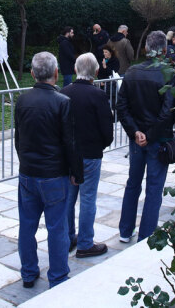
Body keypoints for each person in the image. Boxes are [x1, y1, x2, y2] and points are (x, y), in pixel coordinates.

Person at [14, 52, 84, 289]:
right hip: (54, 175)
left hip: (29, 173)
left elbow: (18, 138)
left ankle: (28, 272)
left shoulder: (22, 100)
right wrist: (77, 173)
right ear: (56, 73)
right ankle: (58, 275)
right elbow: (70, 142)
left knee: (27, 225)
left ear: (33, 74)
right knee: (57, 227)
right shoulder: (62, 102)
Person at [116, 31, 174, 243]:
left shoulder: (132, 72)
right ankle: (145, 234)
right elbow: (167, 111)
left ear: (147, 49)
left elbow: (122, 107)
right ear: (164, 50)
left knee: (134, 183)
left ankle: (126, 230)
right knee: (153, 187)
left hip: (144, 137)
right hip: (153, 138)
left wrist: (138, 133)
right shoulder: (167, 73)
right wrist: (141, 133)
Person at [62, 53, 113, 258]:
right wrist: (100, 145)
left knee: (68, 199)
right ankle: (84, 243)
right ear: (96, 72)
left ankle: (67, 239)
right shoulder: (98, 95)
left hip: (68, 154)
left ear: (75, 70)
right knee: (88, 199)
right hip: (91, 154)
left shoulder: (63, 92)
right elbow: (107, 130)